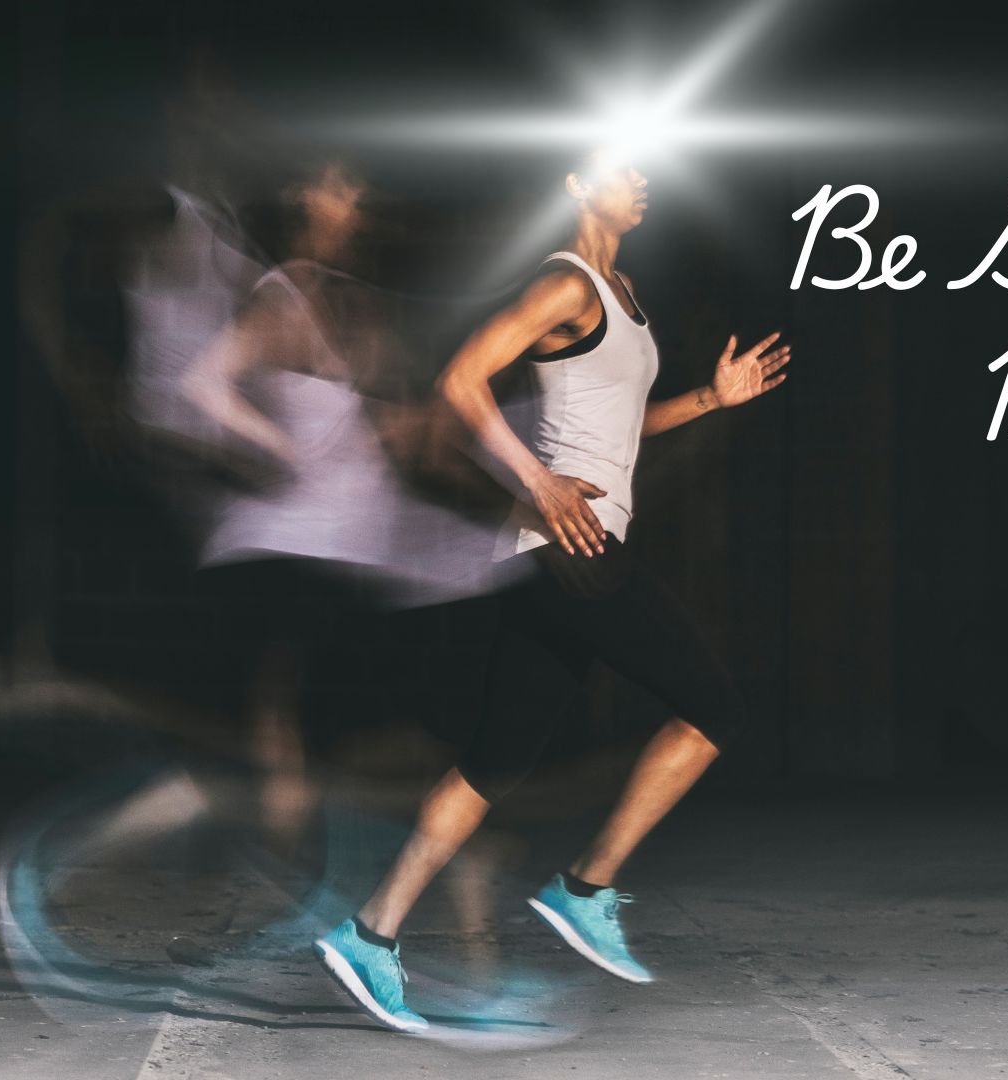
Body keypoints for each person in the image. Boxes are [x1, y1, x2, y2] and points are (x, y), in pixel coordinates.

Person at [314, 146, 791, 1032]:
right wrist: (537, 481)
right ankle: (586, 889)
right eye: (623, 166)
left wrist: (711, 400)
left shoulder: (623, 298)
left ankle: (369, 934)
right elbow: (459, 381)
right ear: (577, 184)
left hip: (545, 556)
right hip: (565, 548)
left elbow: (620, 430)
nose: (643, 180)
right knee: (715, 707)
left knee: (495, 761)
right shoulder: (564, 286)